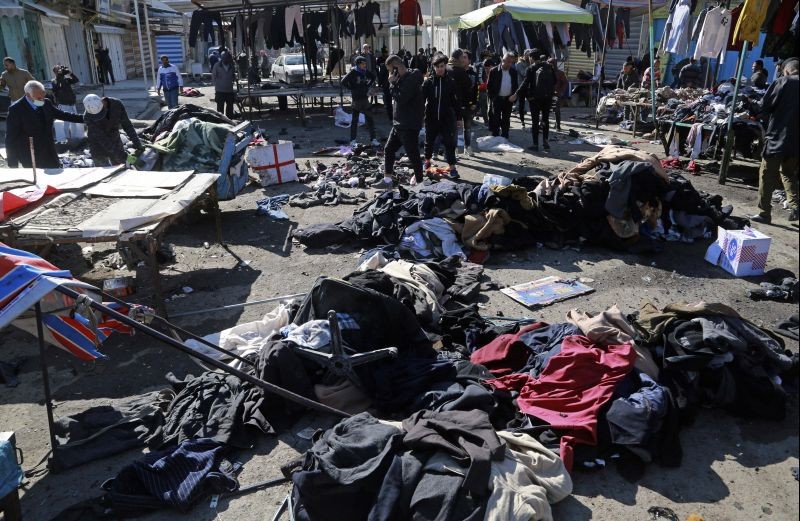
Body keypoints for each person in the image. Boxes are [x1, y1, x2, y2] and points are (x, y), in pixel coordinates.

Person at [749, 58, 799, 224]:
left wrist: (751, 102)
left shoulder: (783, 82)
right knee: (789, 173)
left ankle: (764, 213)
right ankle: (795, 207)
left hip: (777, 138)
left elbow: (764, 107)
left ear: (786, 71)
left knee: (766, 174)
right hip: (796, 144)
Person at [5, 80, 84, 168]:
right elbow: (10, 137)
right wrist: (12, 163)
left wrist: (86, 118)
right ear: (28, 95)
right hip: (31, 155)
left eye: (43, 96)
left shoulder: (46, 102)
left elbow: (62, 115)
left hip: (49, 151)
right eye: (39, 98)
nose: (42, 100)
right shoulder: (16, 109)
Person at [374, 54, 424, 189]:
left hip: (409, 125)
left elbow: (401, 98)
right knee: (389, 149)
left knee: (413, 155)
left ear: (396, 68)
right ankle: (387, 180)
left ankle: (420, 183)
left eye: (390, 70)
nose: (389, 74)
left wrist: (392, 84)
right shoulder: (402, 79)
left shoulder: (411, 79)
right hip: (398, 124)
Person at [423, 54, 461, 179]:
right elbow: (421, 100)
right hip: (431, 118)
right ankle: (427, 161)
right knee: (429, 142)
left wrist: (459, 118)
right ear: (433, 67)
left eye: (442, 66)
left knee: (449, 144)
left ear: (445, 66)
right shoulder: (428, 82)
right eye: (437, 66)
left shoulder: (451, 82)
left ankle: (452, 168)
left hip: (447, 119)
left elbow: (456, 102)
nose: (440, 69)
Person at [82, 93, 142, 166]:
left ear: (102, 104)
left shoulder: (117, 105)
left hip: (115, 140)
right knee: (104, 174)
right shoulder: (88, 118)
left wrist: (137, 143)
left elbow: (127, 125)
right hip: (97, 146)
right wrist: (126, 157)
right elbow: (104, 141)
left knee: (121, 169)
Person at [517, 53, 556, 151]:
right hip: (547, 98)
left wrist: (516, 94)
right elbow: (555, 80)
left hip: (534, 100)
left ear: (531, 58)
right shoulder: (548, 67)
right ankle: (545, 142)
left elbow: (525, 83)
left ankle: (535, 144)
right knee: (545, 120)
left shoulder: (530, 69)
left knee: (535, 121)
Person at [341, 55, 378, 146]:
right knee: (355, 120)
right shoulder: (353, 72)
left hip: (365, 99)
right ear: (358, 64)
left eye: (365, 63)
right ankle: (352, 140)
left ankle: (373, 139)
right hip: (356, 100)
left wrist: (368, 85)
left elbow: (373, 77)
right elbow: (343, 81)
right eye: (363, 63)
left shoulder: (365, 72)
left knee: (370, 119)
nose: (364, 65)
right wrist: (352, 88)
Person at [447, 49, 478, 155]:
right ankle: (455, 149)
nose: (463, 59)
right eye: (462, 57)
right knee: (455, 128)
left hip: (467, 104)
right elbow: (468, 86)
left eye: (466, 57)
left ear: (469, 60)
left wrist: (474, 103)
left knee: (467, 128)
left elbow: (475, 89)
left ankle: (467, 147)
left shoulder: (472, 72)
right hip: (458, 104)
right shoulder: (455, 69)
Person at [487, 52, 519, 139]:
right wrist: (493, 98)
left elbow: (516, 86)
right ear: (503, 61)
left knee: (506, 118)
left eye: (511, 62)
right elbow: (489, 86)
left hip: (508, 99)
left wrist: (514, 97)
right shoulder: (493, 71)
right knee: (496, 118)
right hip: (497, 99)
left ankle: (505, 135)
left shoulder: (513, 72)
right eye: (508, 62)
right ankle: (495, 134)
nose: (509, 64)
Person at [50, 65, 84, 142]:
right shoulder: (54, 81)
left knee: (74, 122)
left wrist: (70, 73)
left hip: (71, 103)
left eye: (60, 69)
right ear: (55, 72)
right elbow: (57, 87)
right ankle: (68, 138)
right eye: (58, 69)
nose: (60, 70)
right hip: (64, 104)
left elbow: (76, 80)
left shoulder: (66, 79)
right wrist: (60, 76)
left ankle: (74, 138)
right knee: (67, 122)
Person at [212, 51, 236, 118]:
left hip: (229, 90)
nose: (228, 60)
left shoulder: (231, 66)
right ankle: (220, 122)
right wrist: (217, 85)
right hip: (220, 91)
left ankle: (229, 120)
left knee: (230, 108)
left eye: (229, 58)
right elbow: (213, 77)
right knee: (220, 109)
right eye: (226, 58)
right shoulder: (217, 65)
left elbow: (233, 76)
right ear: (223, 58)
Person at [551, 58, 568, 132]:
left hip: (556, 94)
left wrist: (561, 92)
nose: (551, 65)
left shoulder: (560, 73)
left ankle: (558, 125)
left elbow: (565, 83)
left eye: (552, 63)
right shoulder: (547, 72)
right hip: (547, 94)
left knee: (556, 110)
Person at [515, 53, 529, 128]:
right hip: (521, 85)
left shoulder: (527, 63)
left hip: (527, 86)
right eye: (528, 55)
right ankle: (522, 119)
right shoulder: (519, 63)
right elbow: (524, 73)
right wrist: (530, 68)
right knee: (521, 102)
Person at [376, 55, 392, 120]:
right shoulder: (395, 66)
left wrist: (379, 84)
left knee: (388, 101)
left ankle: (390, 117)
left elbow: (380, 76)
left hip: (387, 85)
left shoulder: (383, 66)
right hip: (392, 85)